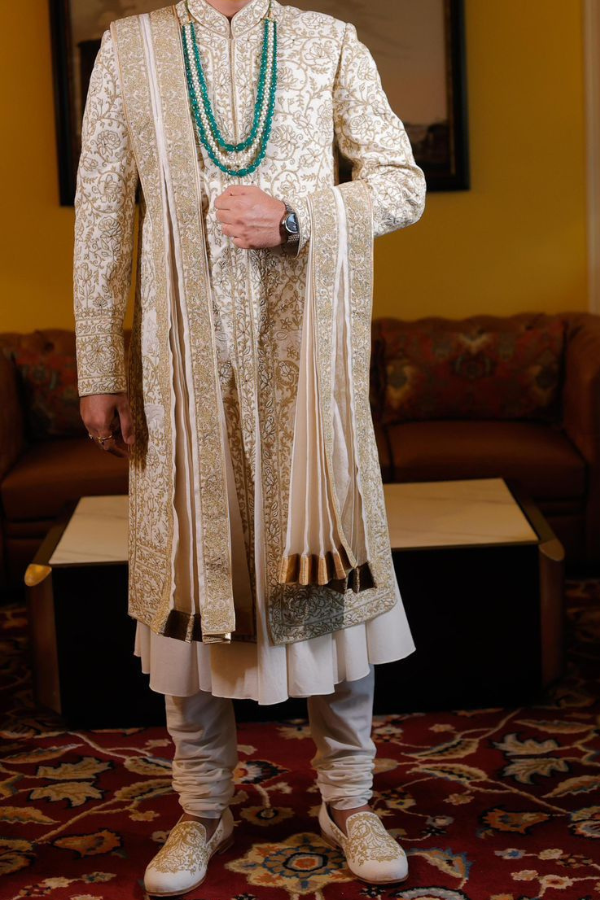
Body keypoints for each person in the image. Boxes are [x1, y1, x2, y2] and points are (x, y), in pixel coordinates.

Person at [73, 0, 426, 894]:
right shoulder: (130, 49)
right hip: (179, 368)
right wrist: (99, 366)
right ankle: (201, 808)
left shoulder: (326, 41)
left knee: (329, 584)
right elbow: (103, 213)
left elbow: (401, 183)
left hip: (304, 366)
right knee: (190, 583)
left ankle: (349, 800)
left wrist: (299, 218)